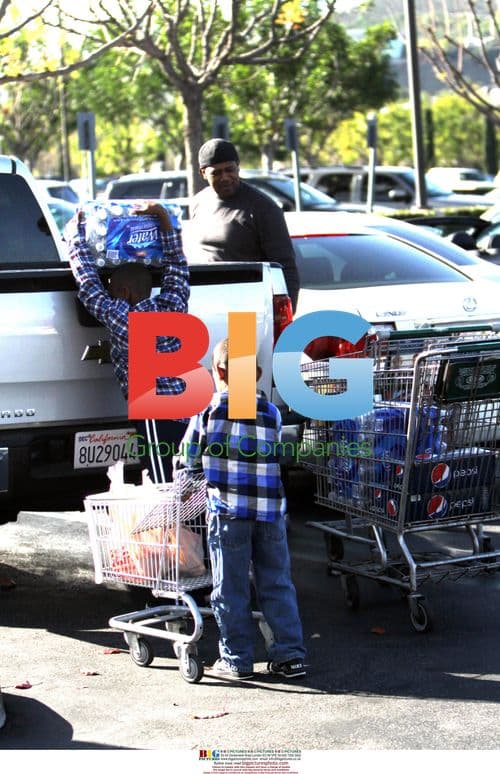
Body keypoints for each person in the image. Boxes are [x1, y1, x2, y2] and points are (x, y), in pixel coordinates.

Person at [176, 338, 306, 680]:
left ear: (218, 372)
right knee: (276, 583)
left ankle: (237, 659)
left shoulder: (208, 410)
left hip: (228, 513)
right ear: (258, 374)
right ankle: (290, 654)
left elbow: (189, 457)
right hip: (270, 513)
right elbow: (277, 452)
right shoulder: (272, 412)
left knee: (230, 588)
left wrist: (189, 475)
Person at [65, 202, 190, 483]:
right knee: (185, 479)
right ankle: (190, 525)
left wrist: (75, 234)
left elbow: (88, 284)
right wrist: (165, 223)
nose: (108, 295)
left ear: (123, 291)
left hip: (158, 416)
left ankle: (174, 527)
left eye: (112, 290)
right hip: (186, 412)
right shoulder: (174, 304)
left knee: (165, 484)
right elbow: (178, 269)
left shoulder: (126, 320)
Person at [191, 138, 300, 313]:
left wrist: (285, 313)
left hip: (245, 309)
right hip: (206, 306)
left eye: (230, 170)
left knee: (242, 343)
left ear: (238, 167)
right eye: (216, 173)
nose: (225, 177)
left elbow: (285, 265)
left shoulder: (263, 207)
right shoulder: (198, 202)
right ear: (203, 173)